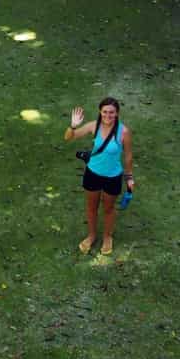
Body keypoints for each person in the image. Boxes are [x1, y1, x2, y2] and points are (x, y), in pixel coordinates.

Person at [63, 96, 134, 256]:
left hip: (112, 177)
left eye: (111, 112)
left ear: (117, 113)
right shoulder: (93, 126)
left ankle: (107, 237)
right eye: (105, 112)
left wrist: (129, 178)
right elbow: (68, 137)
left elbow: (128, 156)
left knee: (108, 209)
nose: (108, 115)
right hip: (92, 173)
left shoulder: (124, 132)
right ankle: (92, 235)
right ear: (100, 112)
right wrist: (73, 126)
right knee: (91, 207)